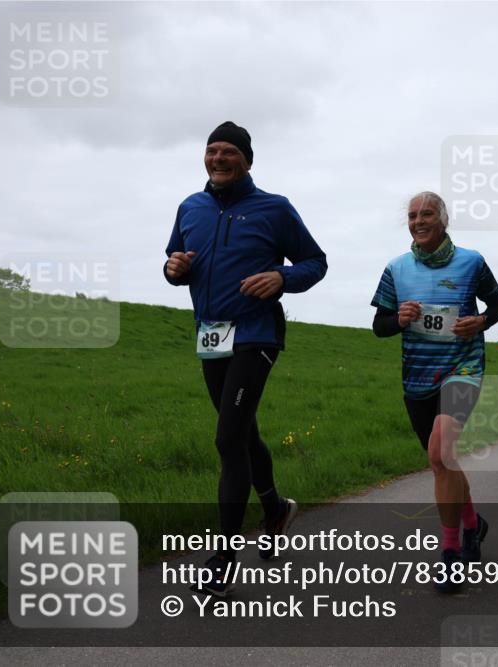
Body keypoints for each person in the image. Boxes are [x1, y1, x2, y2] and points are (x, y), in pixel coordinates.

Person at [165, 121, 328, 597]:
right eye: (211, 150)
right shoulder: (189, 207)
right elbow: (176, 261)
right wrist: (173, 269)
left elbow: (314, 262)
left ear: (247, 160)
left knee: (227, 436)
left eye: (228, 152)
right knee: (243, 431)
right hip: (211, 336)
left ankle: (223, 557)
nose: (218, 158)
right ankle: (275, 508)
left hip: (256, 334)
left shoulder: (274, 208)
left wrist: (281, 278)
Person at [371, 192, 498, 593]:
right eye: (412, 215)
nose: (418, 221)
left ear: (443, 219)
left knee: (439, 453)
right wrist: (400, 318)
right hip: (417, 377)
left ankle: (450, 555)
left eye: (426, 213)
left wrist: (479, 322)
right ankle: (472, 524)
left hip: (464, 368)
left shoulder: (471, 261)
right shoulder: (396, 269)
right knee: (443, 461)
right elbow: (379, 325)